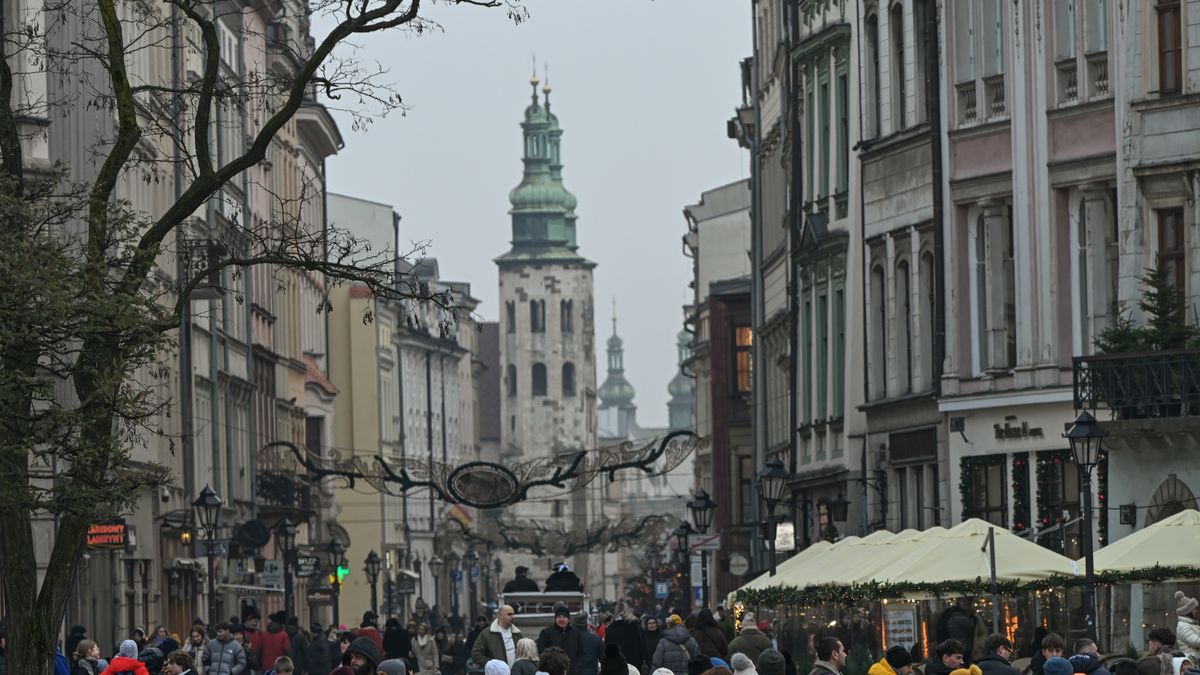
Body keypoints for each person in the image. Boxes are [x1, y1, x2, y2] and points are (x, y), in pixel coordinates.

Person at [937, 599, 986, 665]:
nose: (968, 606)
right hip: (964, 649)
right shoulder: (962, 618)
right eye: (966, 603)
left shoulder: (949, 615)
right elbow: (975, 629)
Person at [537, 604, 582, 675]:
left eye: (564, 617)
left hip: (572, 671)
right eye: (559, 617)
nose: (561, 619)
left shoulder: (576, 634)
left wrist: (577, 668)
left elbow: (580, 653)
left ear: (568, 619)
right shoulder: (546, 633)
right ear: (555, 619)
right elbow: (541, 652)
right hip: (552, 671)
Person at [606, 604, 646, 673]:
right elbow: (643, 645)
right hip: (635, 664)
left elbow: (607, 649)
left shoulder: (611, 628)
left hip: (617, 665)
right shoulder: (636, 626)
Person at [1178, 592, 1200, 662]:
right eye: (1194, 609)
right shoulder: (1182, 626)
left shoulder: (1190, 624)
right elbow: (1195, 641)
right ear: (1188, 611)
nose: (1196, 611)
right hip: (1191, 661)